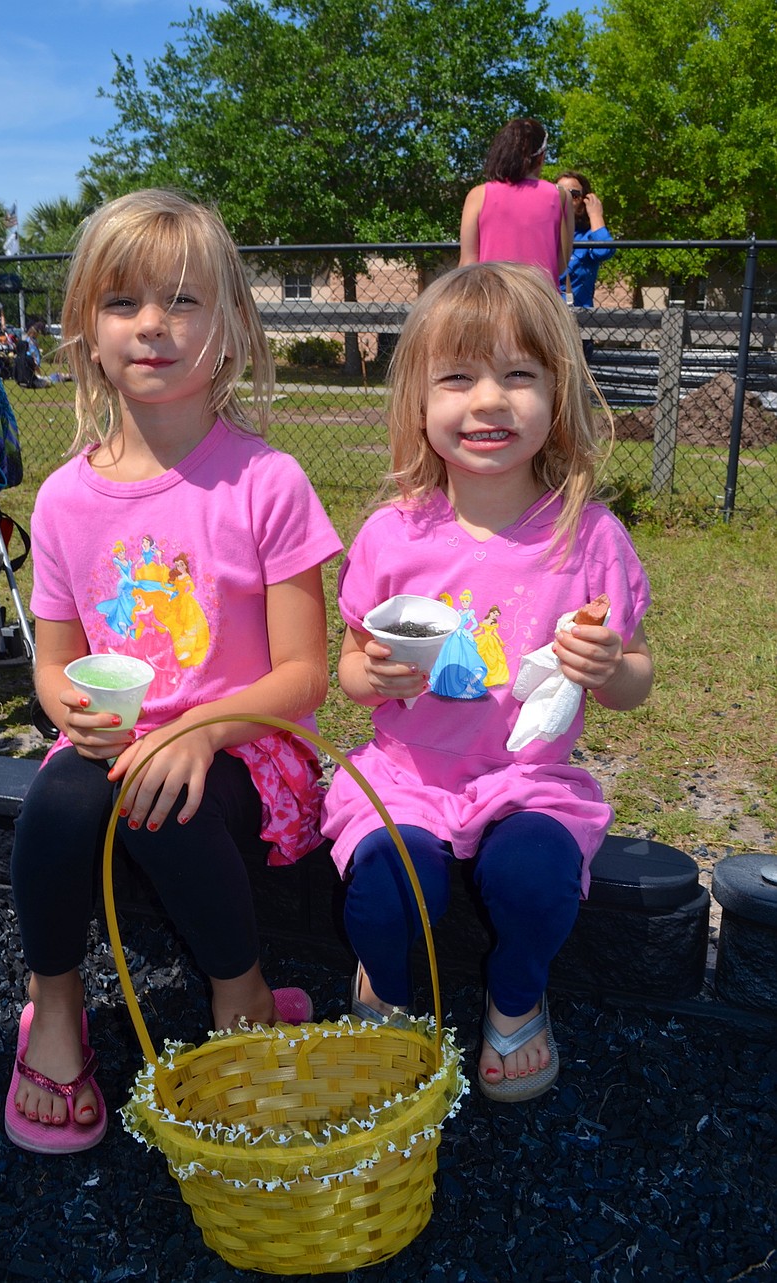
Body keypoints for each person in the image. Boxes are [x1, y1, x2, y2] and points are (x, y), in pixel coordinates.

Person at [5, 188, 343, 1154]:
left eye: (183, 300)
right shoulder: (67, 498)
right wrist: (70, 704)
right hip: (112, 752)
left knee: (171, 796)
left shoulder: (265, 481)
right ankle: (54, 1009)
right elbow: (55, 664)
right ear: (85, 333)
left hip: (241, 750)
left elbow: (303, 675)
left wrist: (195, 731)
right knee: (62, 797)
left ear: (231, 329)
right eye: (122, 303)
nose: (151, 324)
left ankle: (240, 995)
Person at [321, 262, 653, 1103]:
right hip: (408, 777)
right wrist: (378, 673)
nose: (489, 401)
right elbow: (351, 669)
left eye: (519, 375)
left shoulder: (590, 537)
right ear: (420, 402)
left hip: (528, 781)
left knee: (535, 879)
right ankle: (385, 992)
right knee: (393, 888)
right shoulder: (395, 533)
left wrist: (611, 667)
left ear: (558, 391)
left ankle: (514, 1001)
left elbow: (637, 676)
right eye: (458, 377)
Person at [459, 118, 574, 286]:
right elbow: (561, 265)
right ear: (541, 157)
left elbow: (467, 264)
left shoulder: (478, 195)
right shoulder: (560, 196)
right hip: (541, 302)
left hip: (492, 302)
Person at [555, 172, 616, 309]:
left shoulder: (588, 235)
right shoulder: (543, 232)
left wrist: (595, 215)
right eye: (559, 192)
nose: (565, 198)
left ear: (583, 202)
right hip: (544, 315)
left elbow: (604, 251)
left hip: (578, 314)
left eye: (574, 195)